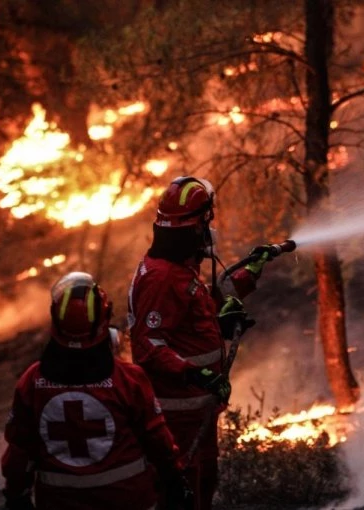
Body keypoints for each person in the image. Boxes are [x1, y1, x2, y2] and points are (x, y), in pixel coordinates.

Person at [128, 176, 270, 510]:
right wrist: (194, 373)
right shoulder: (163, 277)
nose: (210, 228)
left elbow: (201, 305)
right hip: (178, 415)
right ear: (195, 226)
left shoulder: (178, 267)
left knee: (205, 483)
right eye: (206, 220)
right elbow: (148, 344)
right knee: (184, 493)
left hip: (198, 407)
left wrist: (249, 274)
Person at [1, 272, 193, 510]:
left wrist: (16, 497)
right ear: (105, 322)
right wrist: (175, 482)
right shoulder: (129, 380)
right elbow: (158, 443)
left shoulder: (32, 383)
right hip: (129, 500)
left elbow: (19, 452)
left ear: (55, 321)